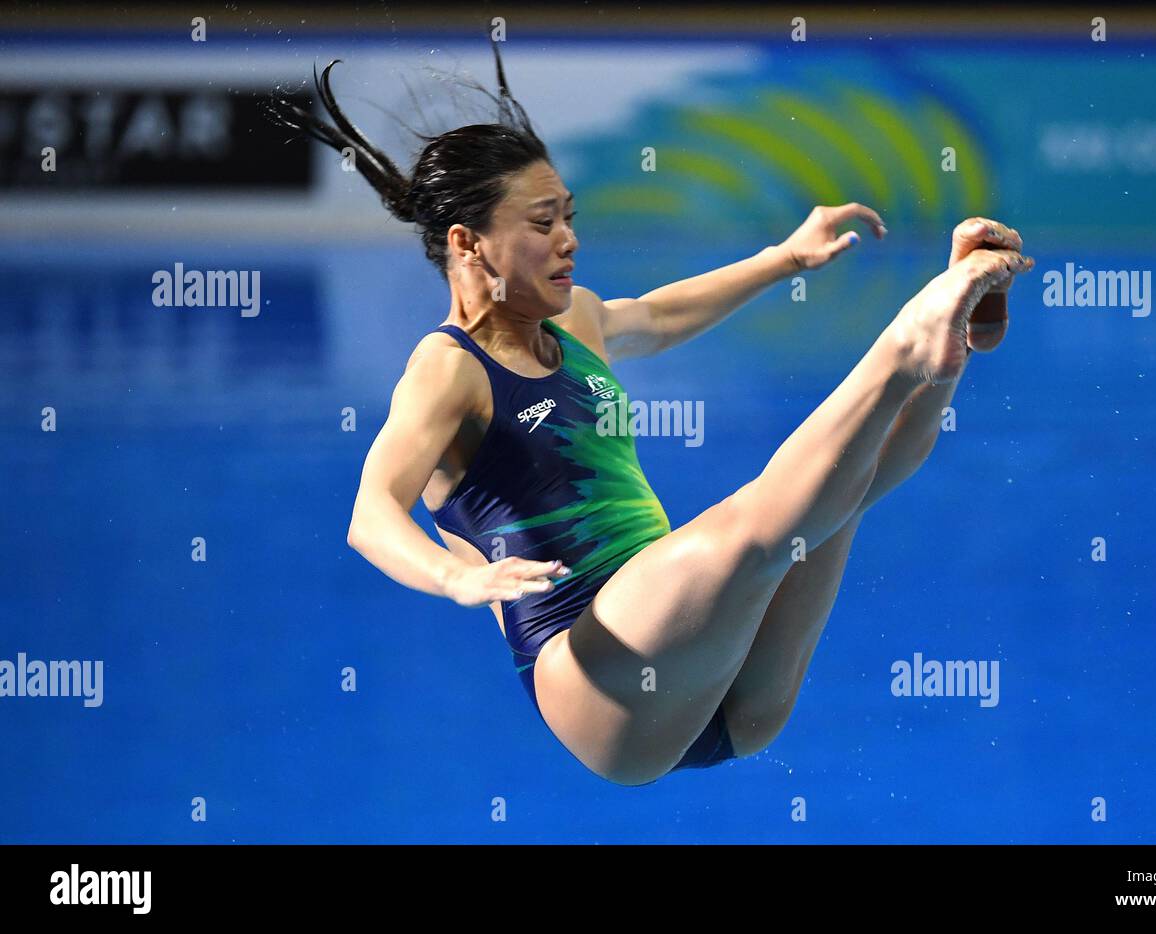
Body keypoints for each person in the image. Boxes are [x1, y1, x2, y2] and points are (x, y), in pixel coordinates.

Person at [270, 47, 1031, 786]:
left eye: (568, 216)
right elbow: (370, 514)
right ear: (470, 244)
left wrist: (786, 258)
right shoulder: (447, 371)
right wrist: (453, 579)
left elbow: (661, 316)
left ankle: (951, 342)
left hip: (718, 697)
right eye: (542, 224)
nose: (569, 239)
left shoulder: (576, 325)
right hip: (596, 687)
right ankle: (909, 338)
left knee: (847, 491)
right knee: (749, 526)